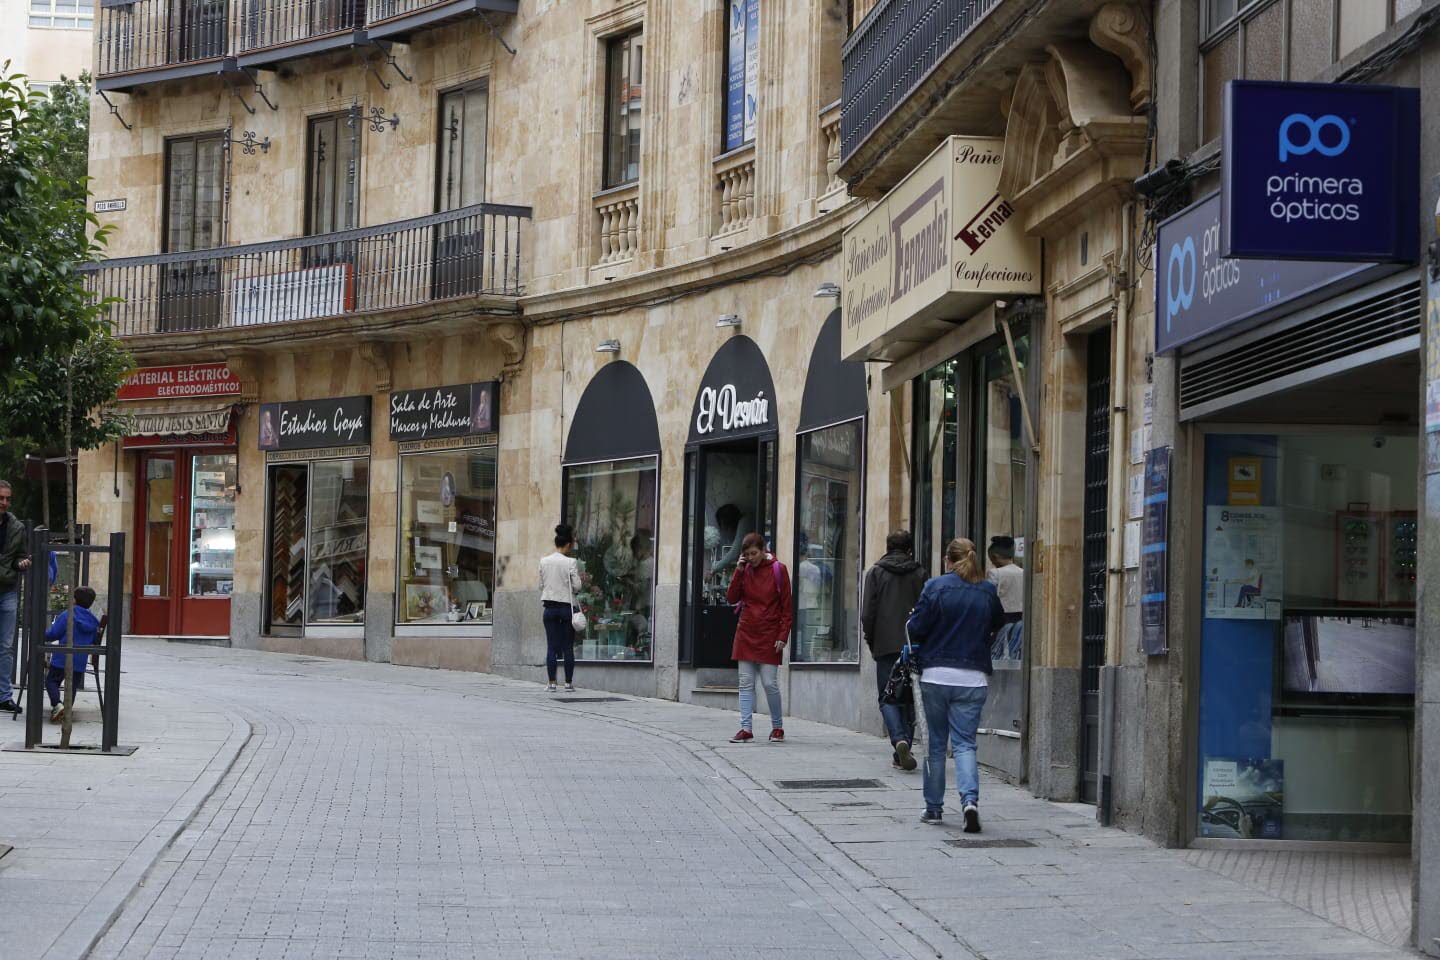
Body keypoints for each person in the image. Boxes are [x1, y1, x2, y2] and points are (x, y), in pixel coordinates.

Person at [906, 537, 1004, 832]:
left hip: (935, 675)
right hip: (972, 677)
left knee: (935, 745)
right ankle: (969, 802)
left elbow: (916, 627)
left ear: (947, 560)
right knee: (965, 745)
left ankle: (934, 808)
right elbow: (998, 622)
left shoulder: (935, 587)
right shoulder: (987, 590)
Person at [861, 530, 926, 771]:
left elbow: (868, 613)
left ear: (888, 547)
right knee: (909, 697)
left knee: (888, 696)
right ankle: (905, 745)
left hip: (885, 644)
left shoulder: (876, 572)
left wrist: (871, 639)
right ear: (910, 549)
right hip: (913, 643)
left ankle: (898, 739)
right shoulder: (920, 573)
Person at [725, 532, 792, 743]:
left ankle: (778, 727)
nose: (751, 558)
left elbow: (787, 608)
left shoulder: (778, 570)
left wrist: (783, 635)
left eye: (754, 553)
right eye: (747, 554)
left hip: (770, 634)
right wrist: (738, 570)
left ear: (763, 550)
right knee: (745, 683)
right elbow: (731, 598)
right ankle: (746, 729)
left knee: (769, 683)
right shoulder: (744, 570)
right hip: (746, 631)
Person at [0, 480, 33, 715]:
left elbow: (20, 556)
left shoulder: (16, 527)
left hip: (7, 591)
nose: (4, 502)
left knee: (6, 647)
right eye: (0, 498)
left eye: (7, 498)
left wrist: (23, 563)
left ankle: (3, 696)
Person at [44, 586, 99, 723]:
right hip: (80, 661)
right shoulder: (92, 620)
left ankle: (57, 704)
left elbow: (53, 634)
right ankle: (67, 710)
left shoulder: (68, 614)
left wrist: (41, 634)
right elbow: (94, 640)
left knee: (52, 681)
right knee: (72, 686)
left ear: (73, 600)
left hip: (62, 658)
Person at [538, 523, 583, 693]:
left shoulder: (543, 561)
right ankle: (569, 683)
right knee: (567, 646)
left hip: (549, 608)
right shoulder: (571, 562)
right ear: (568, 545)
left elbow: (541, 584)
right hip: (566, 608)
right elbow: (577, 586)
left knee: (551, 646)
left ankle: (551, 683)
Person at [987, 535, 1024, 660]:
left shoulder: (995, 573)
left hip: (1002, 619)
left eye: (991, 558)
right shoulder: (1023, 572)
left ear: (995, 556)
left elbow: (990, 598)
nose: (991, 562)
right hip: (1021, 618)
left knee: (999, 652)